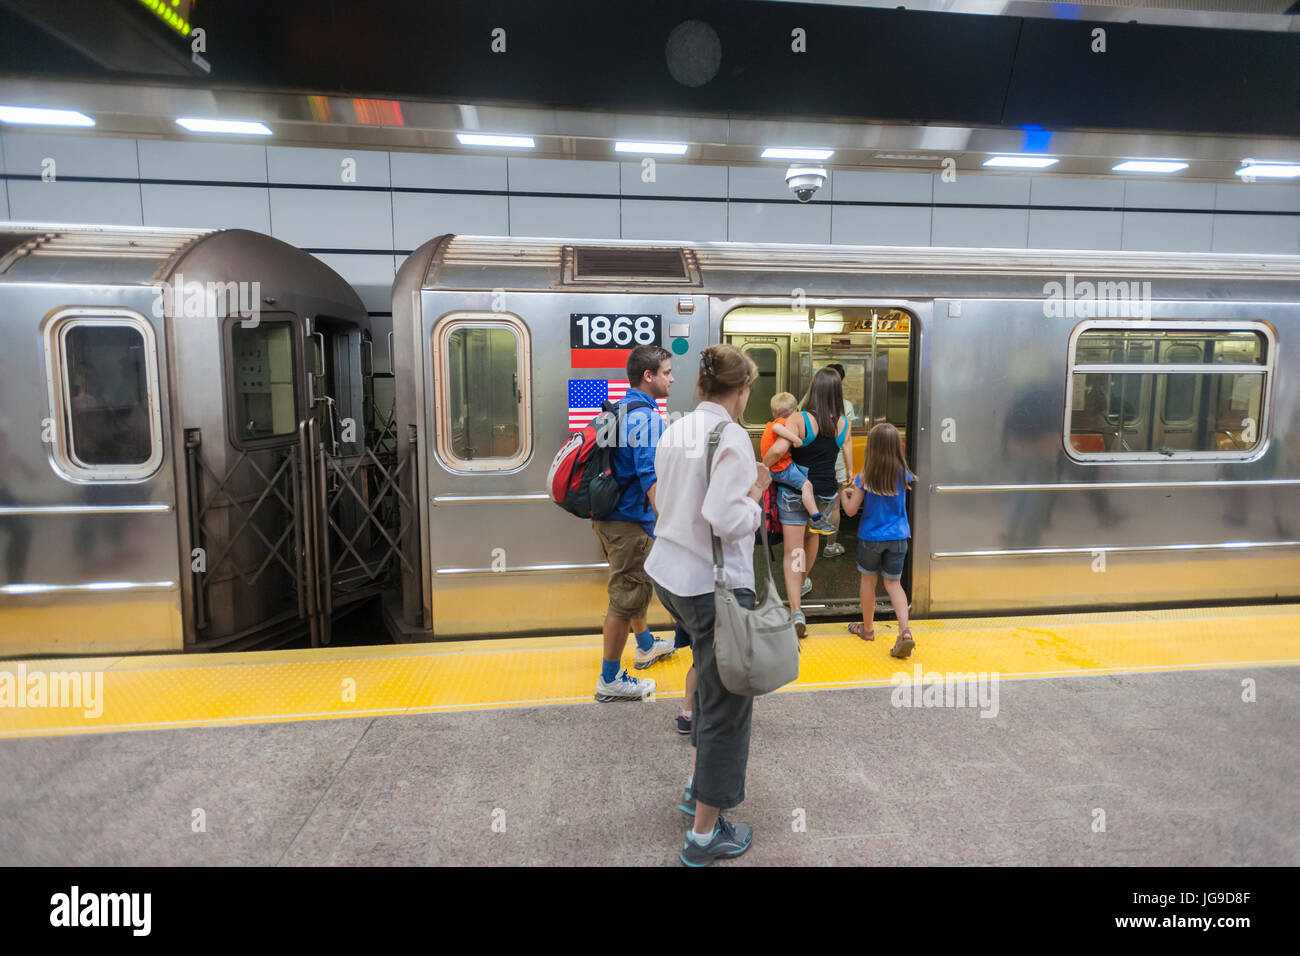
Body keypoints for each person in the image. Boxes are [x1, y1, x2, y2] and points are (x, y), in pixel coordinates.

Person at [645, 343, 769, 866]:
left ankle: (698, 789)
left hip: (669, 577)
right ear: (741, 391)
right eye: (747, 392)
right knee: (726, 708)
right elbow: (724, 515)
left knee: (707, 679)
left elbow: (662, 496)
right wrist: (757, 502)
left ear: (701, 386)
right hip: (711, 586)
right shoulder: (732, 436)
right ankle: (703, 836)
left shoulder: (675, 428)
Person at [592, 345, 677, 703]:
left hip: (609, 517)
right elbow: (649, 475)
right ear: (649, 376)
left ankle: (644, 646)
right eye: (667, 372)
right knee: (625, 598)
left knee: (633, 586)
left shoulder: (621, 408)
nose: (672, 378)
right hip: (630, 520)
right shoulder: (646, 418)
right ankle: (609, 679)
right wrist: (669, 522)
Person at [762, 367, 849, 639]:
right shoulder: (842, 422)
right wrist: (850, 477)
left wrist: (762, 469)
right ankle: (801, 584)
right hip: (826, 492)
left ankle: (797, 610)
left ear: (813, 389)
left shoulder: (799, 419)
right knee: (812, 539)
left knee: (793, 551)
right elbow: (845, 450)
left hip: (795, 492)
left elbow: (778, 450)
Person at [840, 422, 916, 659]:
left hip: (871, 538)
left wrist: (844, 494)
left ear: (871, 447)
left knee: (868, 581)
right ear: (897, 447)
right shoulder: (904, 475)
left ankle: (868, 629)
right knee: (894, 585)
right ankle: (905, 631)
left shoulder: (865, 477)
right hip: (899, 538)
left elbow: (851, 511)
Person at [761, 392, 834, 535]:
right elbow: (778, 440)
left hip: (780, 467)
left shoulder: (772, 423)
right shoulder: (782, 424)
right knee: (806, 485)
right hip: (781, 468)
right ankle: (816, 518)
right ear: (795, 411)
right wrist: (796, 439)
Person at [821, 363, 856, 558]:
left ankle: (807, 543)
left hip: (812, 464)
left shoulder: (808, 403)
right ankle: (830, 546)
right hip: (837, 464)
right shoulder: (846, 405)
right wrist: (851, 469)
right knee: (834, 505)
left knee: (811, 502)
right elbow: (846, 440)